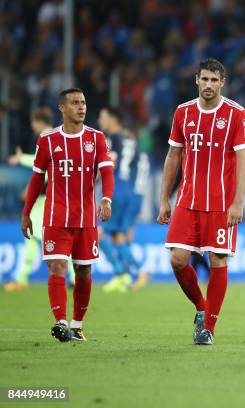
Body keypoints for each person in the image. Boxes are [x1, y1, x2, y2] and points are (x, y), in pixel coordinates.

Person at [157, 59, 245, 346]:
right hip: (187, 199)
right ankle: (201, 307)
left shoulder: (236, 113)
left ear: (222, 82)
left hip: (222, 203)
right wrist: (164, 198)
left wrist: (238, 202)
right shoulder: (183, 112)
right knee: (177, 259)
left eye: (214, 80)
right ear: (196, 80)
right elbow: (173, 156)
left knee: (217, 260)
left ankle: (208, 327)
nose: (209, 85)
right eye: (205, 79)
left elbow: (242, 161)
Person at [21, 88, 114, 342]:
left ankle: (77, 325)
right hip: (55, 217)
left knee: (83, 271)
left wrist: (106, 198)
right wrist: (26, 212)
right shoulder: (47, 140)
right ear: (62, 108)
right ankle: (61, 323)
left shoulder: (96, 138)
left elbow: (107, 172)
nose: (81, 107)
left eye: (83, 102)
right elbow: (37, 178)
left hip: (86, 218)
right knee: (58, 266)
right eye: (74, 103)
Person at [5, 108, 75, 291]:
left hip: (48, 201)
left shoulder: (47, 137)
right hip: (51, 199)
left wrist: (29, 186)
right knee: (32, 236)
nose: (31, 125)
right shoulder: (58, 135)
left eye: (32, 121)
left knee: (46, 239)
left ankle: (75, 276)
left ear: (37, 121)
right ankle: (22, 278)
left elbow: (43, 167)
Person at [97, 107, 150, 292]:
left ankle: (122, 273)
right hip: (129, 190)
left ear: (114, 120)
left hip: (116, 190)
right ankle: (135, 272)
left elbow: (108, 166)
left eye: (102, 117)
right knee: (118, 235)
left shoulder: (113, 138)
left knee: (97, 234)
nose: (99, 121)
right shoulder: (129, 139)